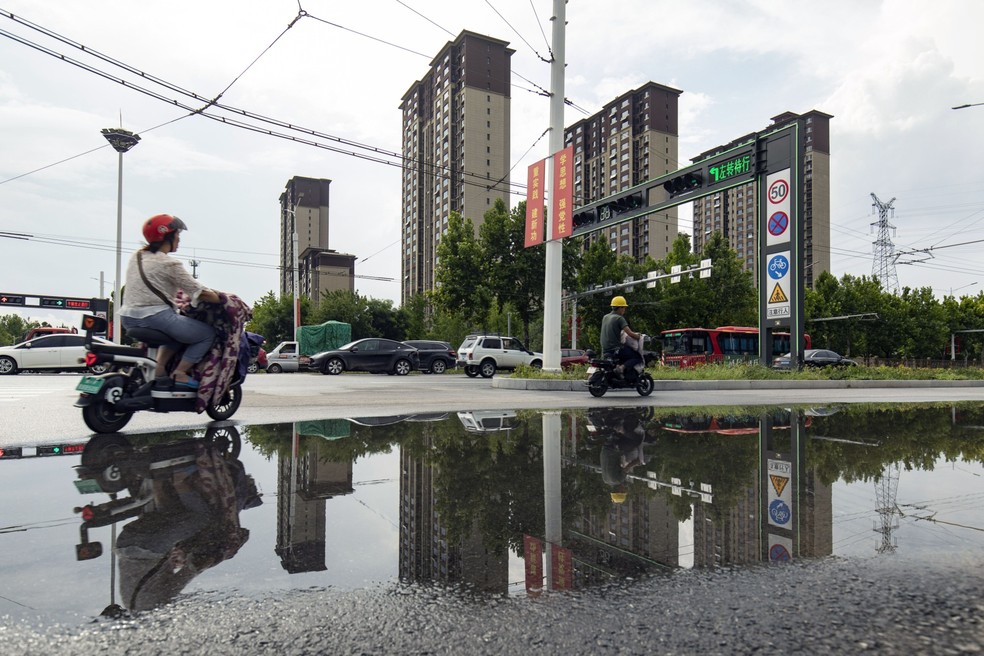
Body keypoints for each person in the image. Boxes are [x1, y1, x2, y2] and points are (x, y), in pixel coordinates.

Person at [119, 214, 221, 388]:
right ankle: (180, 373)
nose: (179, 239)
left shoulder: (136, 257)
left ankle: (159, 370)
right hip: (154, 318)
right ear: (167, 236)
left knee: (177, 332)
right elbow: (199, 291)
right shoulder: (170, 264)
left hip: (127, 318)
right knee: (207, 334)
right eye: (177, 235)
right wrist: (221, 298)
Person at [600, 295, 643, 380]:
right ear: (620, 308)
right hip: (615, 349)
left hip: (604, 349)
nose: (624, 310)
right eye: (624, 308)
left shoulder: (605, 317)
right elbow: (629, 333)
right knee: (637, 357)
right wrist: (639, 337)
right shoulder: (619, 318)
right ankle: (622, 368)